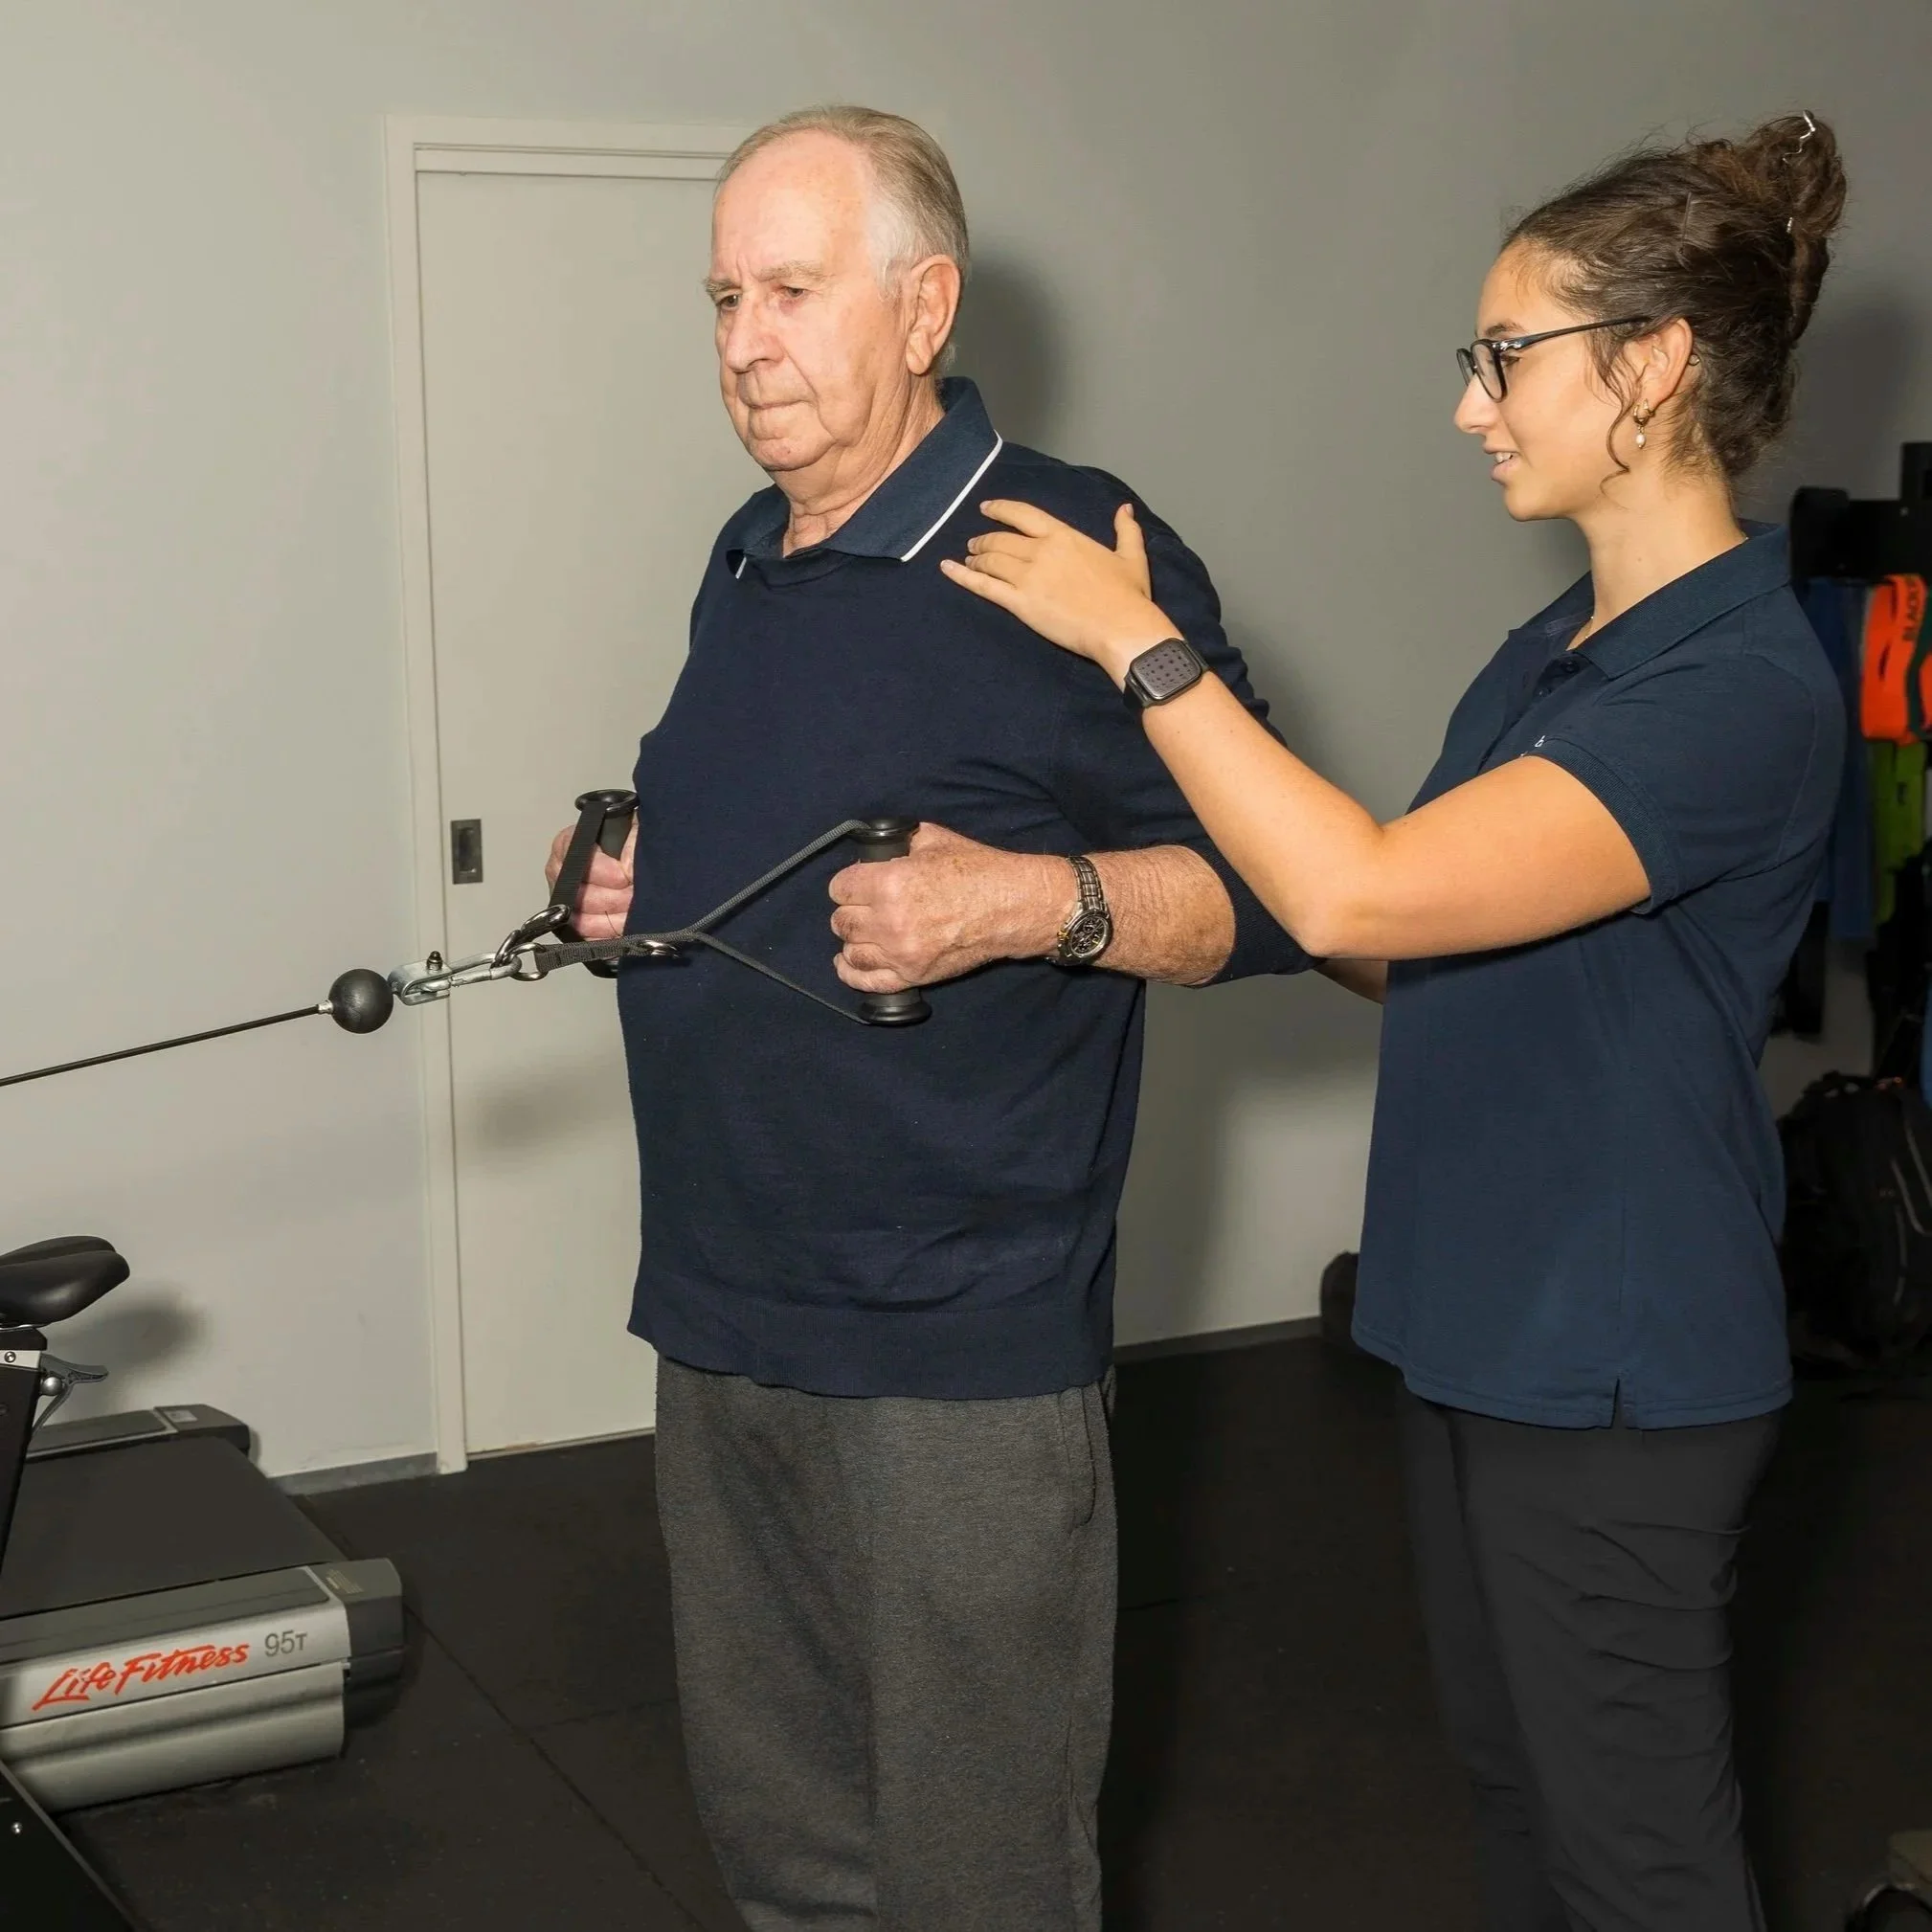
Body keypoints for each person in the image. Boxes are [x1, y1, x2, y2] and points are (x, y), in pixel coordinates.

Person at [898, 113, 1848, 1932]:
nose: (1472, 404)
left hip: (1617, 1362)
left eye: (1507, 357)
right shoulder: (1560, 650)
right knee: (1516, 1805)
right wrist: (1092, 899)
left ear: (1647, 367)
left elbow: (1358, 890)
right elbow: (1398, 939)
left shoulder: (1736, 686)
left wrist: (1140, 647)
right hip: (1478, 1319)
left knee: (1639, 1860)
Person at [547, 105, 1305, 1932]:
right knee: (788, 1864)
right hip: (722, 1320)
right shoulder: (746, 551)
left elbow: (1288, 893)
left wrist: (1024, 901)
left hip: (951, 1354)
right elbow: (772, 813)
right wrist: (637, 866)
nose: (743, 340)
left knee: (974, 1882)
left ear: (923, 305)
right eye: (724, 295)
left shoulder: (1071, 552)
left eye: (792, 290)